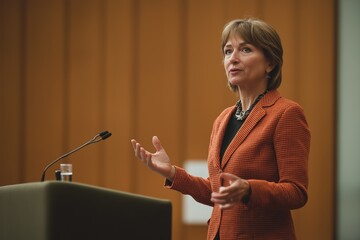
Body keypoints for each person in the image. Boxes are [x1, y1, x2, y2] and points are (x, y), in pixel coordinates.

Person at [131, 18, 310, 240]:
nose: (233, 58)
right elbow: (216, 192)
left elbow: (296, 192)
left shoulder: (286, 113)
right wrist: (172, 173)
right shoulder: (223, 119)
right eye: (227, 51)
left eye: (245, 49)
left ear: (270, 63)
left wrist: (249, 189)